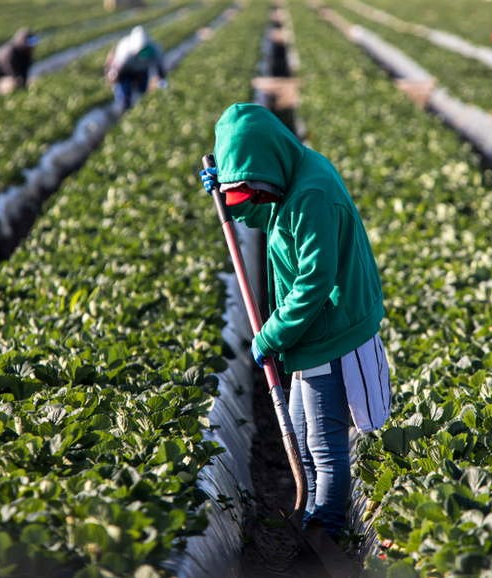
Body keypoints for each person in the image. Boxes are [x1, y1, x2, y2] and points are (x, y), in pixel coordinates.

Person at [200, 103, 391, 540]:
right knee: (303, 437)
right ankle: (312, 514)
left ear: (268, 170)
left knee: (325, 448)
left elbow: (314, 283)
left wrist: (271, 334)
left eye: (249, 192)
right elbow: (271, 212)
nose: (251, 203)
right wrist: (227, 195)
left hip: (330, 331)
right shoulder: (290, 176)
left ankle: (325, 530)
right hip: (309, 332)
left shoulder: (311, 195)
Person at [105, 26, 167, 109]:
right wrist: (113, 78)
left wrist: (162, 79)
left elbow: (160, 66)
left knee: (143, 94)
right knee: (124, 95)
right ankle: (124, 109)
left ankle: (140, 109)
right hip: (125, 72)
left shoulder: (154, 49)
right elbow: (116, 68)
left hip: (142, 71)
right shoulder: (125, 50)